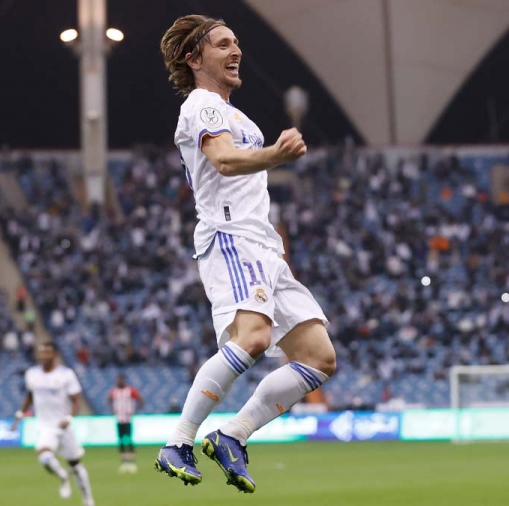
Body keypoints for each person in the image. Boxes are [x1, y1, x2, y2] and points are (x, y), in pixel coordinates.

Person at [155, 14, 337, 493]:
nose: (235, 51)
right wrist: (276, 155)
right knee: (252, 338)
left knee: (318, 358)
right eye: (222, 44)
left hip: (263, 245)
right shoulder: (202, 104)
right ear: (194, 59)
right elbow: (222, 160)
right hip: (231, 236)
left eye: (236, 43)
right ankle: (178, 440)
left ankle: (232, 434)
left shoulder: (234, 114)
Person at [11, 342, 95, 506]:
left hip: (63, 425)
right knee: (44, 456)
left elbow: (76, 401)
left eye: (47, 352)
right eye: (42, 352)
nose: (44, 355)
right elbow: (30, 396)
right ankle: (63, 477)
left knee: (75, 464)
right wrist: (20, 414)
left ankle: (88, 500)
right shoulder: (32, 374)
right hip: (45, 425)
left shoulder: (66, 374)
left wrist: (69, 418)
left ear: (55, 354)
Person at [108, 374, 143, 474]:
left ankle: (132, 462)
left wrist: (135, 410)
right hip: (119, 419)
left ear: (124, 380)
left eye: (121, 380)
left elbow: (140, 399)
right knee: (121, 441)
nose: (119, 381)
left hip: (128, 419)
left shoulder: (130, 390)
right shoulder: (114, 391)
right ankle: (124, 462)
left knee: (128, 440)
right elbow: (109, 399)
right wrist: (112, 410)